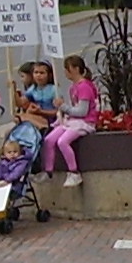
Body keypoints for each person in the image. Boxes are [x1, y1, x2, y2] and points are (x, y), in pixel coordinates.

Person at [43, 53, 101, 186]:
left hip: (85, 122)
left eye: (66, 68)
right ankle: (49, 172)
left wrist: (63, 107)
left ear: (75, 69)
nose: (64, 72)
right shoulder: (73, 87)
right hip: (73, 121)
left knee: (63, 141)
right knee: (49, 139)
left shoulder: (84, 87)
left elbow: (82, 111)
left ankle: (74, 172)